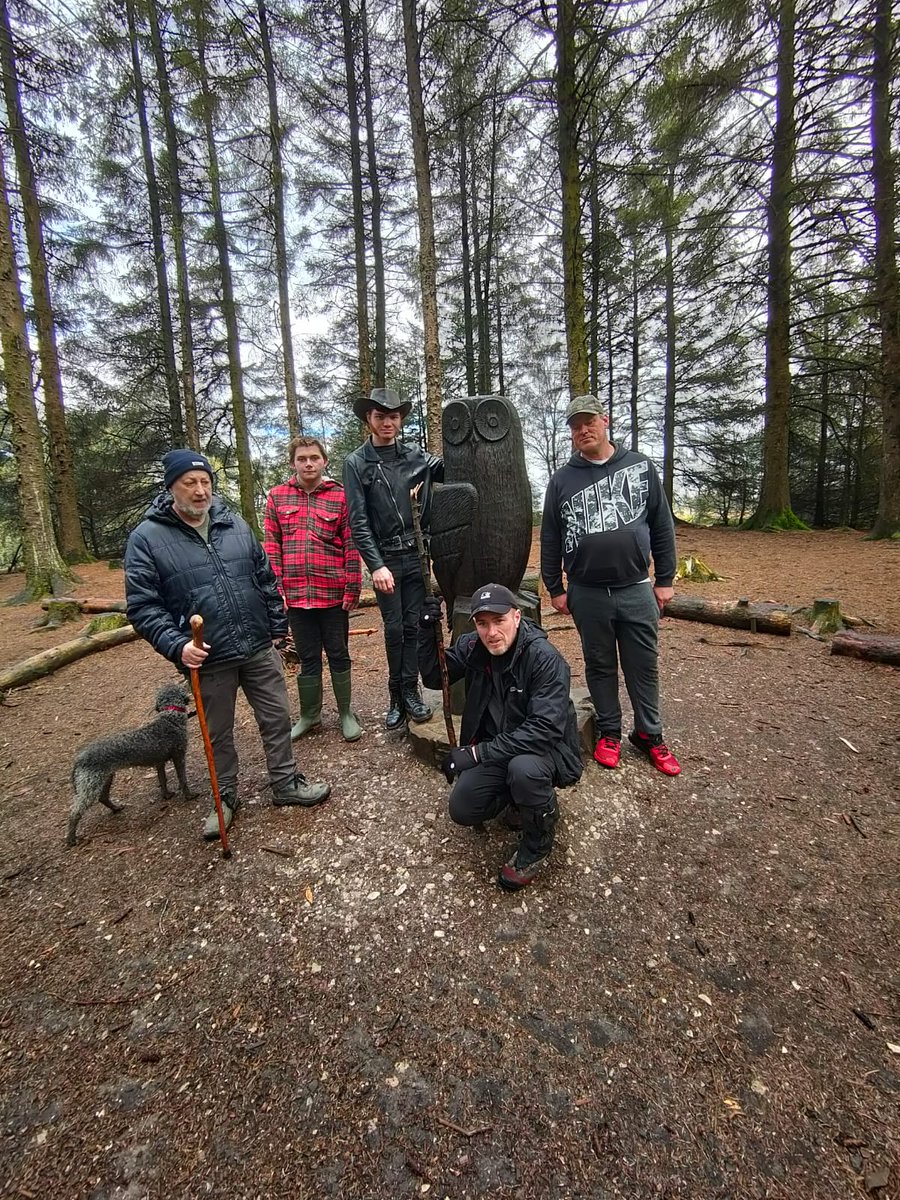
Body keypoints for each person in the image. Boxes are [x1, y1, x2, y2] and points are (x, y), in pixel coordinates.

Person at [125, 448, 331, 841]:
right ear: (171, 487)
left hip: (257, 646)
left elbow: (264, 577)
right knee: (217, 733)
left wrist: (276, 627)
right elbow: (143, 607)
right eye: (190, 482)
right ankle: (224, 797)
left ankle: (286, 783)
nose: (200, 490)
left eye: (205, 481)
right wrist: (177, 645)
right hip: (208, 657)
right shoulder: (147, 539)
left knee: (276, 717)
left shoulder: (233, 523)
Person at [540, 395, 681, 776]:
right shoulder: (562, 480)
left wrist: (665, 579)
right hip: (586, 591)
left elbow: (662, 525)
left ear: (605, 421)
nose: (583, 430)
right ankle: (609, 731)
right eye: (575, 426)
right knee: (599, 664)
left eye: (589, 421)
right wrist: (555, 586)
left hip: (635, 586)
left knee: (643, 665)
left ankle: (650, 734)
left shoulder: (640, 466)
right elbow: (550, 536)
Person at [418, 583, 582, 891]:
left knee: (524, 770)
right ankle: (518, 800)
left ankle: (538, 841)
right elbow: (435, 677)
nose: (491, 632)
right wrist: (426, 634)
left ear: (517, 617)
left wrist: (475, 754)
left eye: (499, 621)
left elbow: (544, 730)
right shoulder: (473, 646)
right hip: (500, 749)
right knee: (463, 808)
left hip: (546, 750)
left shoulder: (544, 658)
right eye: (483, 623)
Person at [343, 386, 444, 731]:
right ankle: (396, 695)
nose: (387, 422)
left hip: (417, 555)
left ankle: (411, 692)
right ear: (368, 419)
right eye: (380, 416)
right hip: (386, 557)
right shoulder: (356, 463)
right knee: (395, 628)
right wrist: (376, 565)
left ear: (400, 419)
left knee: (413, 625)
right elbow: (358, 521)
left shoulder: (416, 456)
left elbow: (449, 471)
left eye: (394, 416)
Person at [264, 436, 362, 742]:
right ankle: (310, 715)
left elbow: (351, 545)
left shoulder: (341, 496)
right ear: (292, 462)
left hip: (332, 594)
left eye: (314, 458)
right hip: (296, 597)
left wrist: (352, 587)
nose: (308, 463)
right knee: (308, 657)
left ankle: (346, 713)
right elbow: (271, 547)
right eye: (302, 458)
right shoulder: (277, 497)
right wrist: (276, 590)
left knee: (338, 654)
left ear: (324, 461)